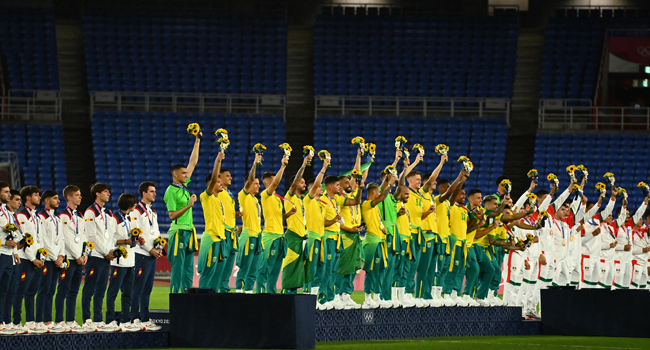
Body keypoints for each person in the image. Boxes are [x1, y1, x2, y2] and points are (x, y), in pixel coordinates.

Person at [164, 132, 201, 294]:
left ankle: (187, 299)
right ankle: (175, 300)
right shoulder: (171, 191)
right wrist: (189, 205)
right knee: (178, 269)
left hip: (189, 231)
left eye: (187, 173)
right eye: (184, 173)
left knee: (188, 270)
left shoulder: (183, 186)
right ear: (175, 174)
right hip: (178, 231)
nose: (187, 175)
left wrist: (197, 141)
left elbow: (193, 162)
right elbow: (172, 215)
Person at [319, 173, 362, 308]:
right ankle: (323, 298)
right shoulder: (322, 200)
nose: (340, 187)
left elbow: (355, 201)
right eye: (338, 185)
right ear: (330, 187)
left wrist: (360, 189)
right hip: (328, 238)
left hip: (337, 239)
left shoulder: (337, 199)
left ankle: (332, 298)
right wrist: (334, 220)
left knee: (333, 270)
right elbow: (324, 223)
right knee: (327, 270)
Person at [81, 183, 116, 332]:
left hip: (105, 256)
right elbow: (91, 237)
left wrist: (111, 251)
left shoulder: (107, 212)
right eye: (106, 192)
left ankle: (98, 319)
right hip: (96, 255)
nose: (108, 194)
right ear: (97, 193)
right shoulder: (90, 212)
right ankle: (87, 319)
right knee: (89, 288)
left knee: (101, 289)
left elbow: (111, 234)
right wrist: (105, 252)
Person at [10, 186, 44, 333]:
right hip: (25, 259)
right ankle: (16, 322)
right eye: (36, 195)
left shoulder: (36, 216)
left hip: (37, 259)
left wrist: (41, 256)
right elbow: (23, 240)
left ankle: (30, 321)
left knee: (32, 292)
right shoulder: (21, 216)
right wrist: (32, 258)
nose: (39, 197)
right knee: (20, 291)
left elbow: (38, 239)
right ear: (28, 198)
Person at [131, 181, 163, 330]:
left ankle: (144, 318)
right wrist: (150, 249)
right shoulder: (136, 211)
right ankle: (134, 318)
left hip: (151, 254)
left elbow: (155, 232)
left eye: (155, 191)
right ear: (144, 193)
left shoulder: (152, 211)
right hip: (141, 254)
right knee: (138, 287)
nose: (155, 193)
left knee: (147, 288)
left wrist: (159, 246)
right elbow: (136, 234)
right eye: (151, 191)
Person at [105, 193, 139, 331]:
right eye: (134, 204)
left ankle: (125, 320)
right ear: (129, 205)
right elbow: (109, 239)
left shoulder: (130, 217)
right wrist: (125, 241)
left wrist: (138, 239)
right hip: (118, 262)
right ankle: (110, 320)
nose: (136, 205)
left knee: (127, 293)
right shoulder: (114, 218)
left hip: (130, 261)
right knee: (113, 292)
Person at [54, 185, 86, 331]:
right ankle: (59, 320)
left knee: (74, 291)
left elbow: (84, 237)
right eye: (77, 195)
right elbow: (66, 239)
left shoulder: (79, 216)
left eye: (80, 195)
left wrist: (85, 255)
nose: (80, 197)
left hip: (79, 260)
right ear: (69, 197)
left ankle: (70, 320)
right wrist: (78, 256)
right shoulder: (63, 216)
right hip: (68, 260)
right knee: (63, 290)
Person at [433, 170, 466, 306]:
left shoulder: (448, 203)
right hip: (439, 238)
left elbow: (453, 193)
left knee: (445, 269)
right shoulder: (438, 200)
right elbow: (450, 193)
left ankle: (439, 294)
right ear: (441, 189)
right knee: (438, 268)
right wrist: (459, 176)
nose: (449, 189)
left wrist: (463, 179)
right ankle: (433, 294)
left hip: (447, 239)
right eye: (447, 186)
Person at [361, 179, 396, 309]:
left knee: (381, 269)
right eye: (379, 192)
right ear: (374, 192)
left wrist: (382, 228)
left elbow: (379, 222)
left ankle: (377, 297)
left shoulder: (375, 209)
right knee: (371, 271)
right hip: (372, 242)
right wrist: (390, 184)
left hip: (380, 241)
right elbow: (381, 198)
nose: (380, 194)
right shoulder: (366, 204)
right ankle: (367, 298)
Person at [34, 190, 65, 333]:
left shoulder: (57, 218)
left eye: (58, 198)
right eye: (55, 198)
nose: (58, 201)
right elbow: (44, 240)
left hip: (56, 260)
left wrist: (62, 256)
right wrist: (55, 257)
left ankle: (48, 319)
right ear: (46, 200)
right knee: (44, 290)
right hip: (47, 259)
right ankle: (40, 320)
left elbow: (61, 239)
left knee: (51, 290)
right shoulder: (41, 217)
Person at [257, 157, 289, 294]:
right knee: (264, 268)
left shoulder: (277, 198)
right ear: (269, 183)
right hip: (270, 237)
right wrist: (283, 166)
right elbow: (276, 182)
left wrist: (287, 215)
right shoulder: (265, 194)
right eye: (274, 180)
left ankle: (272, 294)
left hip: (280, 237)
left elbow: (277, 218)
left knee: (275, 271)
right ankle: (260, 294)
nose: (278, 181)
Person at [282, 154, 313, 294]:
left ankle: (295, 296)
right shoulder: (290, 197)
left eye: (304, 182)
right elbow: (295, 183)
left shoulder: (302, 200)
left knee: (300, 268)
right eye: (302, 182)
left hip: (302, 237)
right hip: (293, 237)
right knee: (291, 267)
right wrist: (304, 164)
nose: (304, 184)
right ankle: (286, 295)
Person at [418, 154, 446, 307]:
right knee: (424, 269)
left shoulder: (430, 197)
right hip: (426, 236)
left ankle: (427, 295)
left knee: (431, 269)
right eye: (433, 181)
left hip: (434, 237)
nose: (435, 182)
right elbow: (431, 179)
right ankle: (420, 295)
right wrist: (441, 162)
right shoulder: (423, 193)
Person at [197, 152, 226, 290]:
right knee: (208, 273)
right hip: (212, 239)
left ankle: (213, 303)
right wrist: (218, 161)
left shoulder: (218, 200)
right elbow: (214, 179)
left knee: (217, 275)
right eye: (218, 182)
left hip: (220, 239)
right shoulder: (206, 196)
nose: (221, 184)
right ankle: (200, 303)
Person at [304, 158, 329, 309]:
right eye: (319, 187)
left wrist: (336, 220)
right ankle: (307, 299)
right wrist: (324, 168)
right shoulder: (309, 199)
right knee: (311, 269)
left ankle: (315, 299)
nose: (322, 189)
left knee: (320, 269)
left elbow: (325, 221)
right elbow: (314, 187)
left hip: (321, 238)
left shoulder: (321, 204)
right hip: (312, 237)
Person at [236, 154, 263, 293]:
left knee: (254, 270)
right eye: (256, 183)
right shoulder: (244, 195)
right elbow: (251, 178)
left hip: (258, 237)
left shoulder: (256, 200)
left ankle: (248, 293)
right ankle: (239, 293)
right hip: (248, 236)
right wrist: (255, 163)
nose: (259, 185)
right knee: (245, 267)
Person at [217, 168, 242, 293]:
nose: (231, 178)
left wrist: (236, 215)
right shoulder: (217, 191)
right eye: (227, 176)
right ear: (219, 178)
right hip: (223, 232)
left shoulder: (229, 194)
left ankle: (224, 290)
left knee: (229, 265)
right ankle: (218, 290)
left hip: (232, 232)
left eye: (231, 175)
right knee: (222, 263)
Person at [0, 183, 18, 332]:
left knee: (5, 290)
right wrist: (4, 242)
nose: (9, 195)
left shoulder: (8, 212)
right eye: (6, 192)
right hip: (0, 253)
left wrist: (15, 252)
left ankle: (3, 321)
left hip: (8, 255)